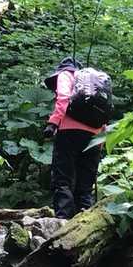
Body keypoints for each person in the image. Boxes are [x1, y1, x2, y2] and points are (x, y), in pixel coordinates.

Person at [42, 57, 106, 219]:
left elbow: (63, 97)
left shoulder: (66, 75)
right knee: (85, 183)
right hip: (95, 135)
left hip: (69, 132)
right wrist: (101, 139)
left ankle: (63, 220)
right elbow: (104, 110)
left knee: (63, 178)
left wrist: (53, 123)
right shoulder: (95, 85)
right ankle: (84, 219)